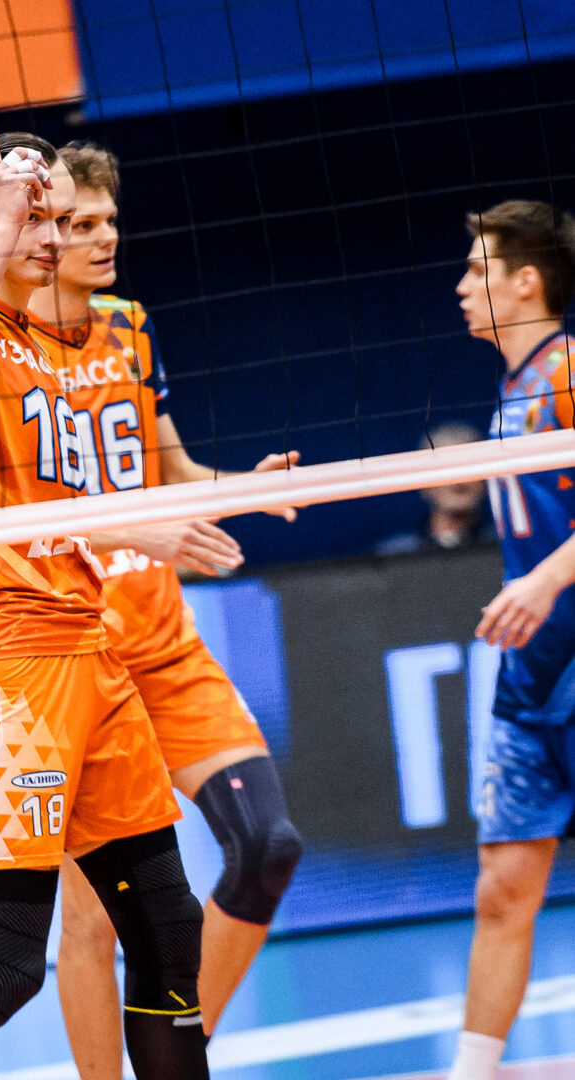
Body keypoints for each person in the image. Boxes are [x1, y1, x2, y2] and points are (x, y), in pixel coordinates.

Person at [0, 119, 209, 1080]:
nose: (53, 237)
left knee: (168, 927)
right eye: (34, 217)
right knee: (2, 971)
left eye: (59, 218)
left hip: (90, 649)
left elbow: (56, 510)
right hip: (1, 658)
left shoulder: (52, 347)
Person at [24, 142, 302, 1075]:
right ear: (42, 233)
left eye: (110, 220)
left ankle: (178, 1054)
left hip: (167, 651)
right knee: (92, 920)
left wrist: (245, 488)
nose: (104, 237)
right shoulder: (5, 352)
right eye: (82, 224)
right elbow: (9, 522)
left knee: (267, 845)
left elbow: (172, 472)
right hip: (76, 664)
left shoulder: (130, 328)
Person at [449, 199, 575, 1080]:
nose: (461, 287)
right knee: (502, 888)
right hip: (533, 680)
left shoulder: (568, 370)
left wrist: (544, 579)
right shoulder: (512, 391)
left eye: (476, 270)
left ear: (525, 281)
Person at [376, 422, 496, 555]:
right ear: (424, 485)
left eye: (468, 468)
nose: (459, 481)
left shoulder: (504, 547)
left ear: (485, 480)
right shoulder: (393, 555)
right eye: (446, 469)